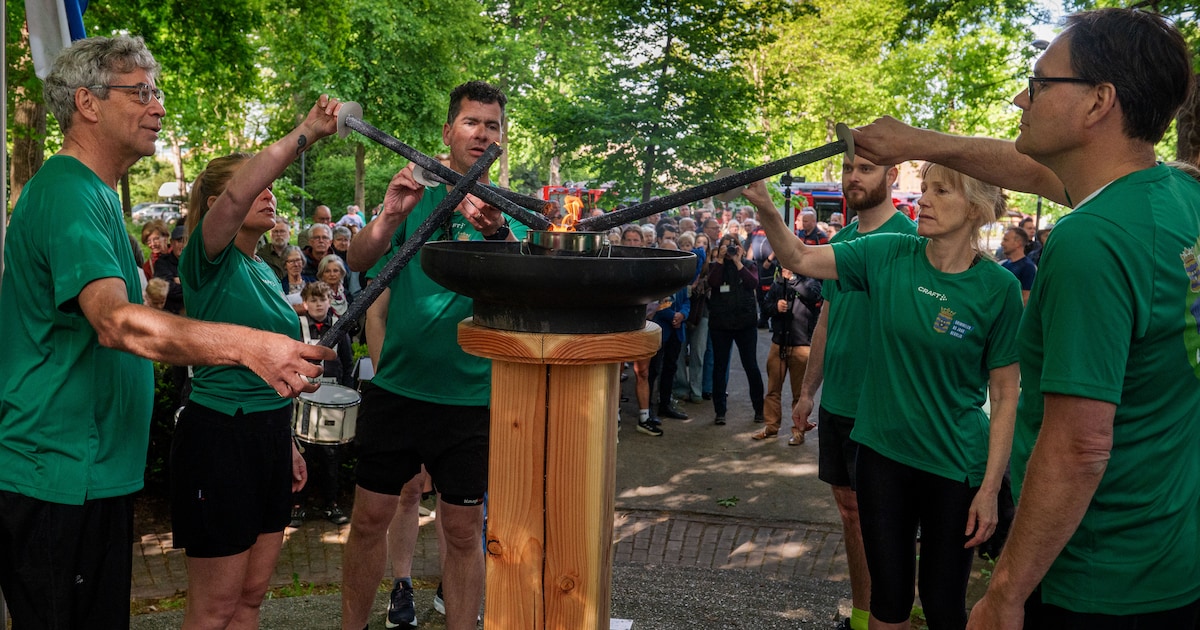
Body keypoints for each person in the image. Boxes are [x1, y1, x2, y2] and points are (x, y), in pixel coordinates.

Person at [853, 8, 1200, 628]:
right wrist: (917, 142)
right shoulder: (1176, 196)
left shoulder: (1091, 240)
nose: (1022, 96)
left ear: (1098, 102)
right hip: (1170, 556)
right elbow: (1027, 169)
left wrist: (1007, 590)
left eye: (1040, 83)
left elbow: (1080, 444)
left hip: (1092, 575)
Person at [0, 36, 330, 628]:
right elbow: (115, 321)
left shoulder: (94, 194)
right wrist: (249, 347)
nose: (158, 106)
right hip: (57, 474)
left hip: (91, 472)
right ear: (88, 103)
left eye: (157, 91)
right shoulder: (67, 190)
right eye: (141, 91)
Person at [745, 163, 1022, 630]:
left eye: (941, 191)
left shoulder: (999, 288)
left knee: (942, 604)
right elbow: (799, 256)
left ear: (975, 208)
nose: (925, 200)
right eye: (926, 188)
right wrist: (768, 207)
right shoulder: (891, 252)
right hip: (882, 457)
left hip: (954, 467)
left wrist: (991, 489)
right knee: (888, 599)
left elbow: (1006, 395)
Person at [342, 80, 524, 630]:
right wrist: (391, 217)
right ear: (448, 132)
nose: (483, 134)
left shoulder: (512, 218)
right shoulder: (414, 196)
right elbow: (358, 259)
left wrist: (496, 239)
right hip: (397, 392)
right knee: (371, 517)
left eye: (493, 125)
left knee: (465, 529)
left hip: (472, 398)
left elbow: (521, 296)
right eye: (472, 122)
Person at [172, 95, 343, 629]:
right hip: (219, 437)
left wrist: (287, 439)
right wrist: (306, 134)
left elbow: (272, 369)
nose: (267, 193)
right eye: (255, 185)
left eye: (268, 186)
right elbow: (236, 196)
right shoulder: (207, 259)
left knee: (250, 600)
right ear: (225, 198)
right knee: (215, 608)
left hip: (268, 434)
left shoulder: (264, 271)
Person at [789, 155, 918, 630]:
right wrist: (807, 393)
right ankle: (862, 616)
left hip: (884, 408)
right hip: (839, 402)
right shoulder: (841, 241)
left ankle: (893, 614)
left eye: (866, 168)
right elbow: (827, 319)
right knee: (849, 513)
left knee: (886, 519)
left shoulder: (912, 241)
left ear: (892, 177)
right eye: (847, 168)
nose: (853, 177)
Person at [290, 281, 354, 527]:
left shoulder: (340, 329)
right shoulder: (296, 327)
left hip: (331, 403)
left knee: (330, 457)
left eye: (322, 299)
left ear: (330, 302)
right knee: (301, 454)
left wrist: (345, 395)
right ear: (304, 303)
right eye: (313, 300)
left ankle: (331, 504)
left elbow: (348, 365)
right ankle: (297, 505)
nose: (318, 304)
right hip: (302, 401)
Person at [752, 266, 821, 445]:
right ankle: (771, 426)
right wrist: (775, 307)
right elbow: (765, 307)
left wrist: (792, 281)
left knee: (799, 393)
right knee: (773, 390)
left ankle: (799, 431)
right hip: (778, 344)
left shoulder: (810, 280)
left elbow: (813, 296)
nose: (784, 269)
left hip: (801, 345)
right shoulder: (778, 284)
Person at [706, 233, 765, 425]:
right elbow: (713, 282)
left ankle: (759, 409)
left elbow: (753, 283)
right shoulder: (716, 266)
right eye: (726, 246)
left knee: (751, 366)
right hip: (721, 325)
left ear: (739, 247)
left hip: (745, 324)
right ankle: (720, 411)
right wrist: (721, 260)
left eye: (733, 246)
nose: (730, 250)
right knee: (720, 367)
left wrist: (739, 263)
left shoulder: (748, 265)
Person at [153, 225, 187, 314]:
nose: (183, 245)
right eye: (180, 241)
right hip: (170, 315)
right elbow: (167, 289)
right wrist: (190, 286)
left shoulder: (196, 263)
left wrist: (182, 281)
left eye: (187, 241)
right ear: (171, 243)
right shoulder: (162, 263)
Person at [998, 227, 1036, 304]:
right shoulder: (1004, 264)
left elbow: (1026, 297)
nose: (1002, 243)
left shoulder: (1028, 267)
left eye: (1006, 240)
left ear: (1018, 243)